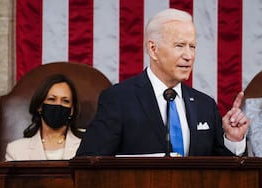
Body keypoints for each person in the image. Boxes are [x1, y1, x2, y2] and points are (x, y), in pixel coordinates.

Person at [76, 8, 248, 157]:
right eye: (179, 45)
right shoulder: (119, 99)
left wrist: (233, 140)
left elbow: (223, 169)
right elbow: (89, 162)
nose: (189, 56)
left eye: (192, 46)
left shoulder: (205, 106)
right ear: (153, 49)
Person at [5, 74, 82, 161]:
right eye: (52, 99)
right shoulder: (16, 150)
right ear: (39, 106)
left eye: (65, 101)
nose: (58, 105)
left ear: (72, 110)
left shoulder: (86, 146)